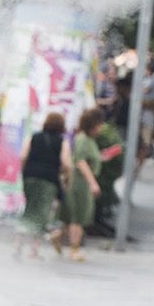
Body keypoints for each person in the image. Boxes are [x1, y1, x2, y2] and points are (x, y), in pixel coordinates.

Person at [15, 112, 68, 260]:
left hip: (30, 177)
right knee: (42, 213)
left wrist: (25, 172)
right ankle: (33, 251)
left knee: (29, 209)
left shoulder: (33, 137)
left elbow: (23, 156)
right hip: (49, 180)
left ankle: (18, 246)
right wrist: (61, 172)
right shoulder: (62, 142)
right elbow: (66, 163)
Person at [57, 108, 105, 262]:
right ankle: (74, 248)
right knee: (77, 216)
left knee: (79, 216)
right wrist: (93, 183)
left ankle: (57, 236)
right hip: (80, 183)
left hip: (84, 182)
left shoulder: (89, 140)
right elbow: (80, 162)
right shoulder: (83, 139)